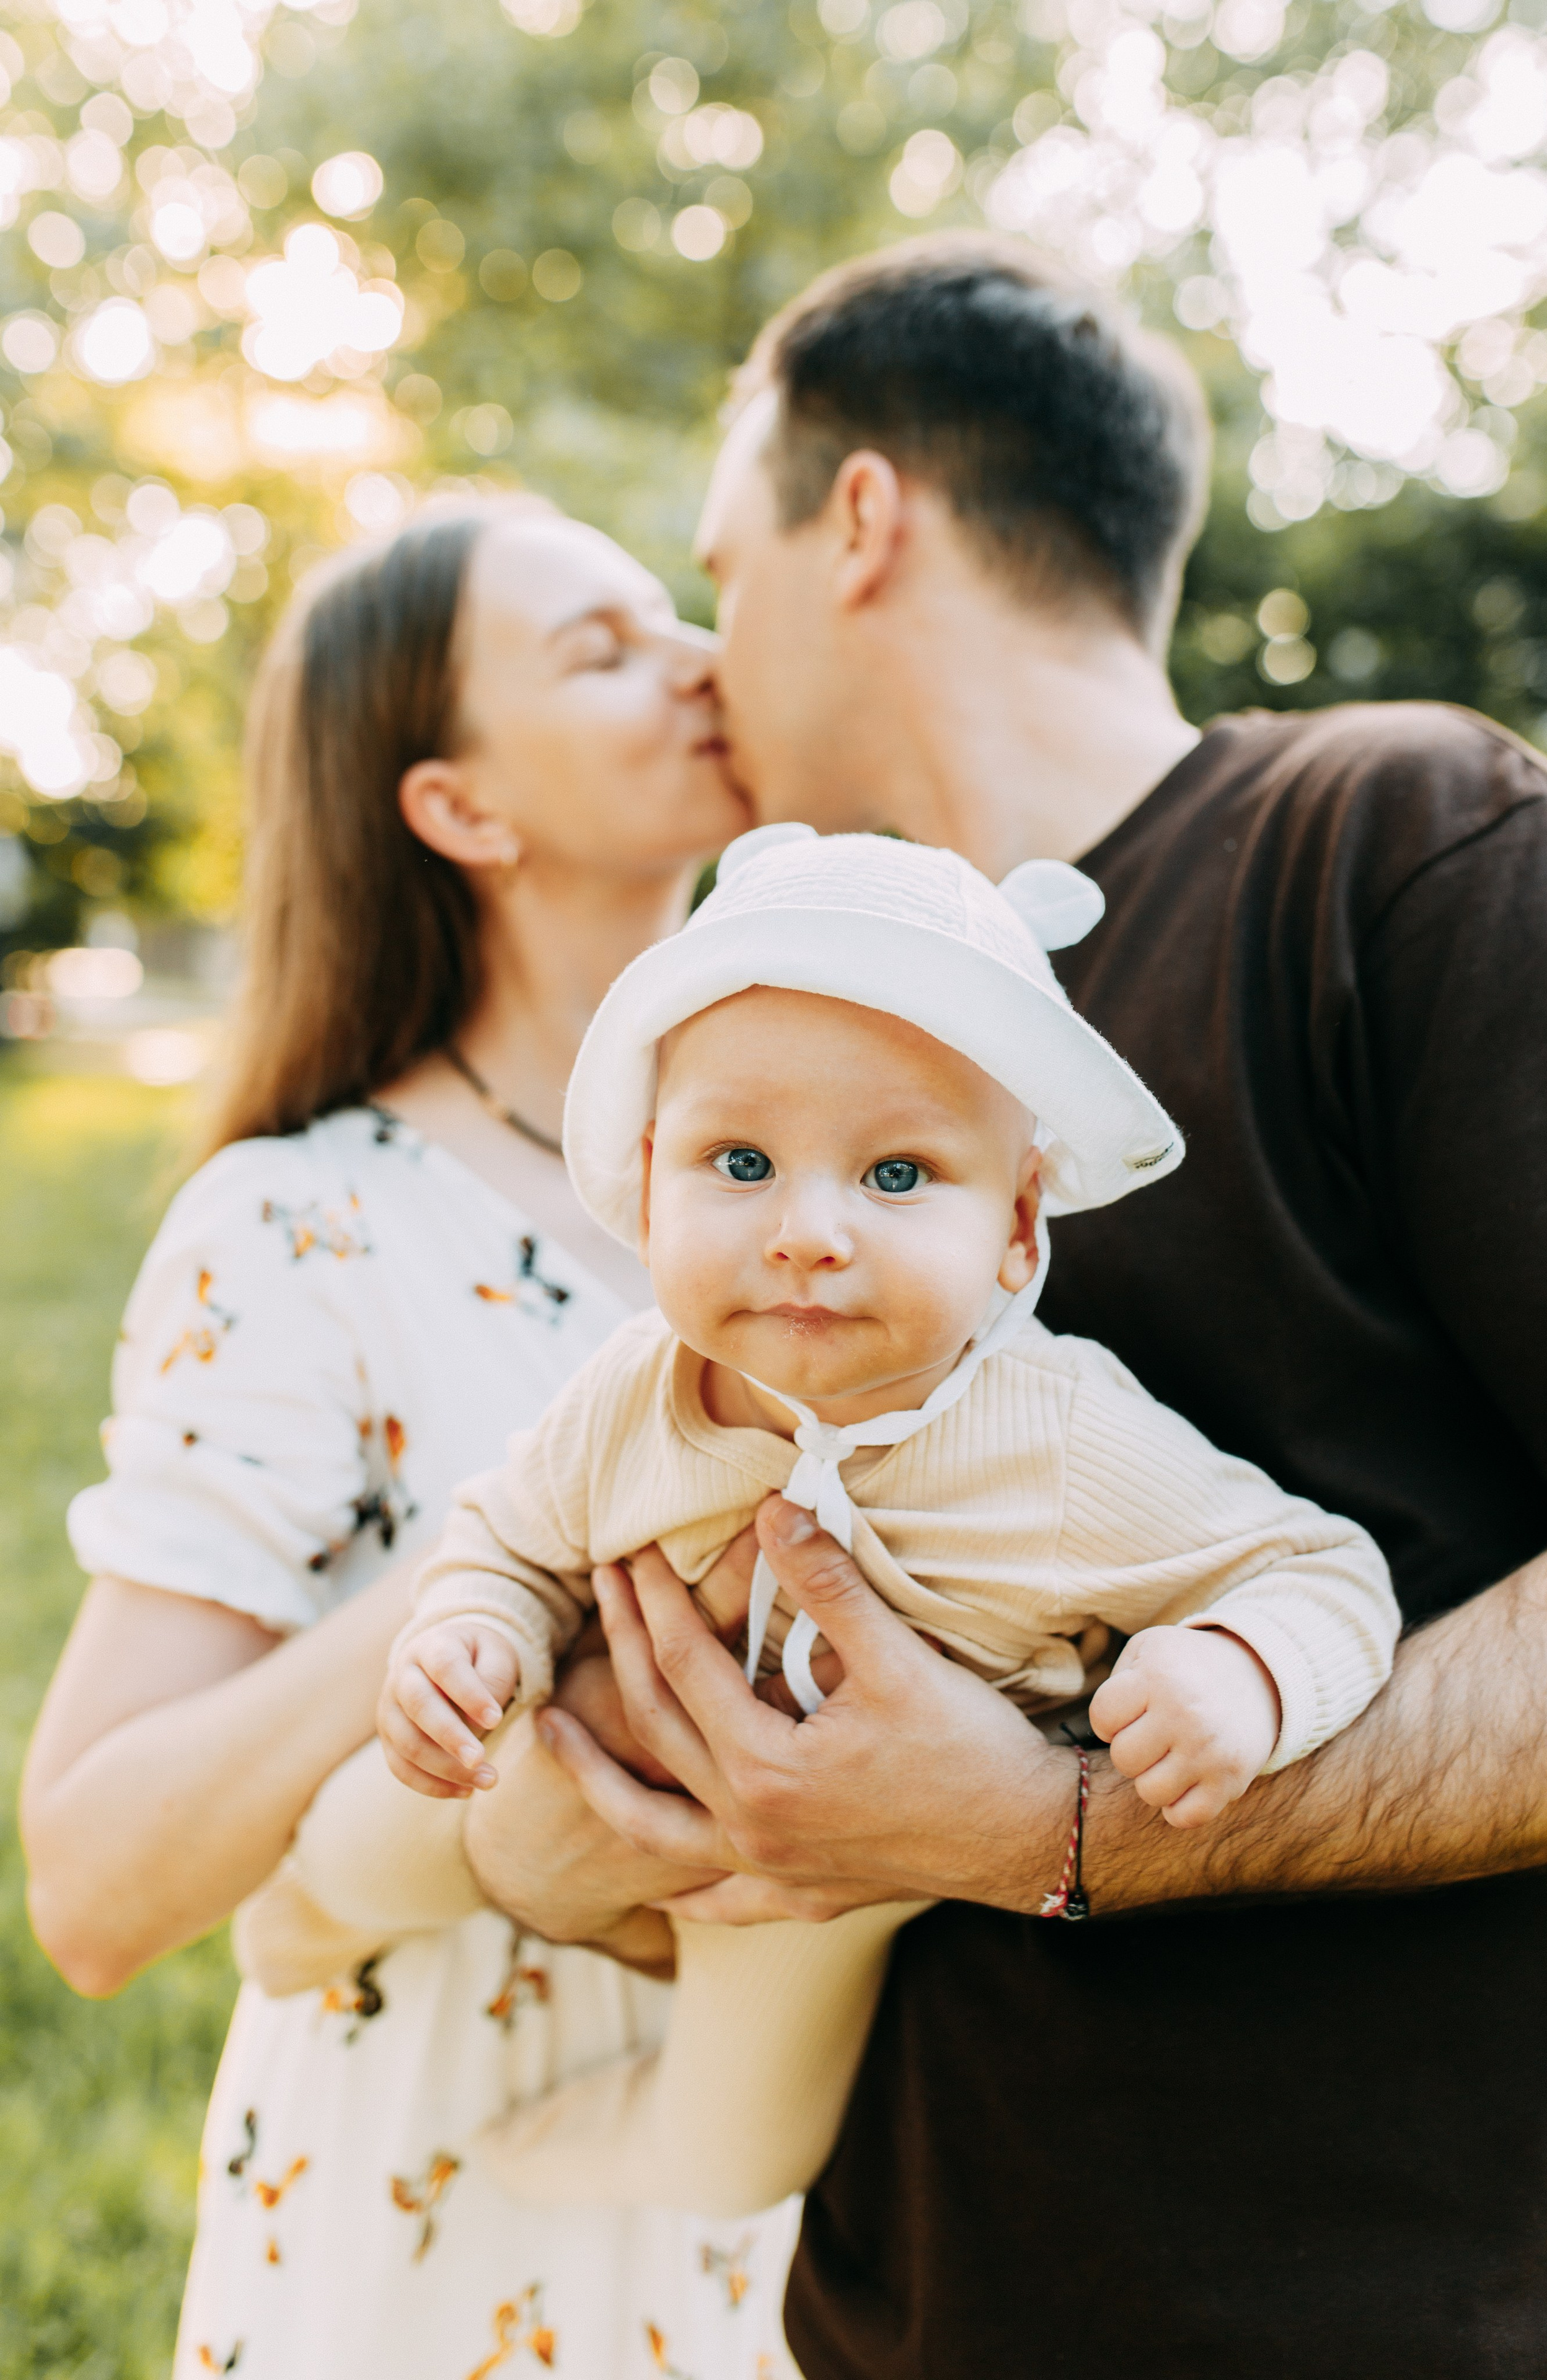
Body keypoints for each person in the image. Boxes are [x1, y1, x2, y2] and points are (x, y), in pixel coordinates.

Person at [498, 236, 1547, 2378]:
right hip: (906, 2306)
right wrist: (588, 1812)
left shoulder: (1395, 844)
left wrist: (1069, 1830)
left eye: (721, 568)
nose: (707, 661)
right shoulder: (786, 1046)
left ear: (863, 519)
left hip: (1368, 2317)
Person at [19, 496, 803, 2380]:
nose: (698, 652)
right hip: (441, 2209)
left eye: (671, 610)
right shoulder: (302, 1225)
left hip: (787, 2193)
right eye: (600, 648)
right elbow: (92, 1887)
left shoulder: (837, 1182)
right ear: (461, 809)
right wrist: (500, 1562)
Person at [379, 823, 1397, 2221]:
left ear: (1019, 1229)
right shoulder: (636, 1390)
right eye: (738, 1163)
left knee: (737, 2157)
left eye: (897, 1176)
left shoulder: (1065, 1443)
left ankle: (584, 2161)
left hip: (851, 1869)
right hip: (588, 1763)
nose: (805, 1231)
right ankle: (308, 1915)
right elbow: (513, 1536)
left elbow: (1320, 1572)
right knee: (372, 1825)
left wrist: (1239, 1672)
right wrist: (471, 1634)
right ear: (646, 1169)